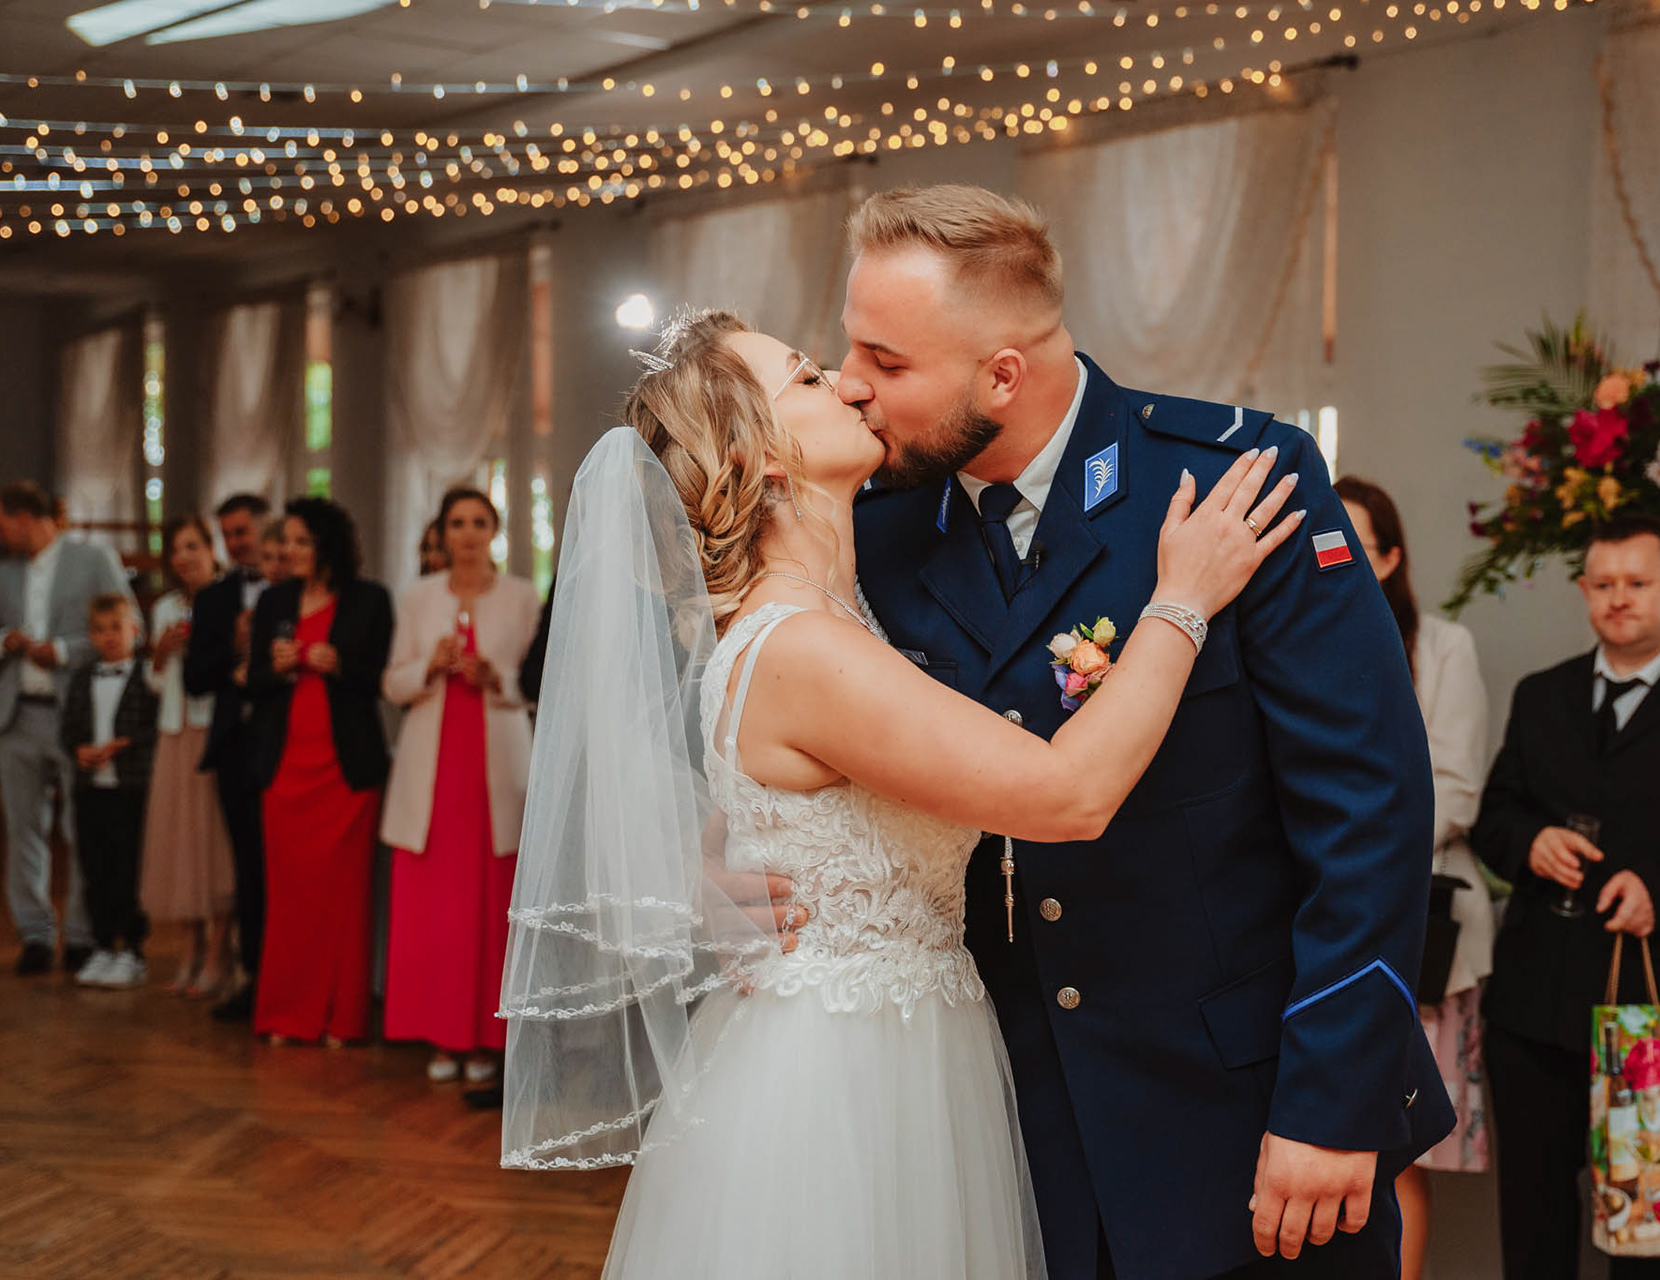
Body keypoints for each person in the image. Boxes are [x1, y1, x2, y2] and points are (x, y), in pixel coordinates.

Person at [501, 309, 1304, 1279]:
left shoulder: (845, 614)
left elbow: (783, 811)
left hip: (914, 1043)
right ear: (763, 460)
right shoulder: (803, 646)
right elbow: (1069, 793)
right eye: (807, 379)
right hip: (841, 1074)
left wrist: (715, 860)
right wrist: (1183, 598)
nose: (846, 382)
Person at [840, 186, 1449, 1279]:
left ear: (1002, 375)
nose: (851, 383)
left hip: (1245, 1113)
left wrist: (1333, 1101)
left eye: (886, 361)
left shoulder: (1232, 480)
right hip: (1007, 1130)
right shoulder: (875, 528)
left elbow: (1370, 810)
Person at [1471, 514, 1660, 1280]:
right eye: (1602, 584)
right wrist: (1529, 842)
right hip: (1532, 1008)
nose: (1618, 598)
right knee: (1532, 1226)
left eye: (1637, 582)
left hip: (1647, 1009)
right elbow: (1493, 817)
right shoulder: (1543, 694)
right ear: (1584, 591)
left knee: (1641, 1233)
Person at [1334, 476, 1492, 1280]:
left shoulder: (1443, 645)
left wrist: (1345, 853)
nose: (1333, 557)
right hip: (1311, 922)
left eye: (1354, 545)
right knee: (1318, 1137)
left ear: (1391, 558)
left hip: (1418, 922)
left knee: (1397, 1148)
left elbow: (1456, 789)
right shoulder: (1277, 631)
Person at [382, 489, 540, 1085]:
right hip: (433, 768)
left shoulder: (522, 596)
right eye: (457, 523)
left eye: (478, 522)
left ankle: (486, 1040)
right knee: (437, 911)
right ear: (442, 533)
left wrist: (496, 677)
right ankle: (441, 1035)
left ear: (493, 530)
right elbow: (392, 683)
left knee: (491, 907)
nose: (468, 533)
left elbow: (538, 683)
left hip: (496, 769)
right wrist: (427, 666)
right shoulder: (418, 596)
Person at [248, 496, 392, 1047]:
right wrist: (275, 667)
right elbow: (253, 681)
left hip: (344, 771)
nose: (288, 550)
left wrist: (340, 665)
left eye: (300, 540)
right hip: (286, 768)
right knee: (289, 899)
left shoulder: (369, 599)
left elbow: (378, 677)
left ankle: (342, 1017)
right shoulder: (273, 600)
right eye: (286, 541)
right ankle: (286, 1014)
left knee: (345, 897)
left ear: (327, 544)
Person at [0, 481, 136, 976]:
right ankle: (35, 934)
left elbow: (130, 624)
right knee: (23, 830)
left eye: (2, 523)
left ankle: (80, 934)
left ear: (24, 518)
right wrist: (4, 641)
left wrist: (61, 651)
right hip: (15, 715)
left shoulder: (93, 560)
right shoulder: (3, 572)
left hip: (75, 715)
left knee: (81, 829)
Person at [183, 493, 271, 1021]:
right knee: (248, 866)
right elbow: (195, 678)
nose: (236, 542)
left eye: (243, 531)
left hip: (286, 743)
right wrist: (236, 648)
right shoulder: (215, 598)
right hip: (235, 748)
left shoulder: (293, 586)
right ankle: (254, 976)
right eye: (228, 534)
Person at [142, 514, 236, 998]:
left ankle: (219, 953)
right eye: (176, 549)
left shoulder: (228, 600)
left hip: (210, 729)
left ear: (211, 548)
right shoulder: (165, 608)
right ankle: (190, 948)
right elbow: (155, 683)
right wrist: (160, 654)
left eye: (192, 546)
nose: (184, 557)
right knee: (178, 846)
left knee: (212, 847)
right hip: (174, 731)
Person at [60, 595, 160, 989]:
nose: (110, 637)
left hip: (131, 788)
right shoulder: (83, 677)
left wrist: (124, 744)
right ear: (91, 636)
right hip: (91, 789)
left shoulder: (147, 676)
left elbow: (154, 728)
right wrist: (78, 749)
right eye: (100, 630)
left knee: (129, 868)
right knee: (95, 868)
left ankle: (132, 950)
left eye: (117, 628)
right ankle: (103, 945)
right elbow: (69, 727)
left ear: (135, 629)